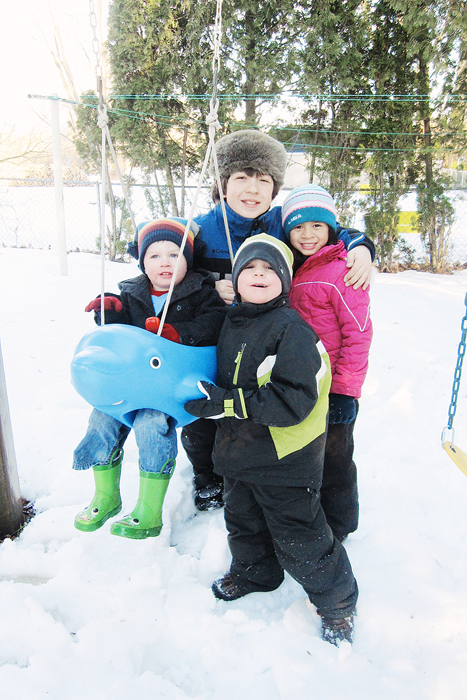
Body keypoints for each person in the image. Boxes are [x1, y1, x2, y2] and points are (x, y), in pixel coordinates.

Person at [184, 129, 376, 511]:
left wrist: (362, 246)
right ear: (223, 184)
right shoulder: (201, 230)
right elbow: (166, 262)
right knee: (203, 406)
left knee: (255, 405)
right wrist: (208, 284)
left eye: (263, 180)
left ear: (274, 189)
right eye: (241, 177)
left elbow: (327, 231)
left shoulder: (279, 223)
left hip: (263, 338)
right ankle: (207, 475)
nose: (252, 189)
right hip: (214, 338)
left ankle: (260, 474)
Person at [185, 234, 358, 646]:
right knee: (242, 521)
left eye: (269, 268)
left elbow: (293, 400)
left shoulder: (291, 330)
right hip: (239, 452)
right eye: (249, 267)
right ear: (235, 279)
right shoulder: (231, 321)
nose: (259, 274)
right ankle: (255, 573)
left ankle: (337, 602)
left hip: (285, 457)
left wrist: (228, 404)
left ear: (285, 279)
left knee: (299, 534)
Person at [73, 217, 226, 539]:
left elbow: (214, 322)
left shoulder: (201, 292)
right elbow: (119, 335)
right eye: (155, 256)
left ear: (188, 261)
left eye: (174, 255)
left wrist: (179, 333)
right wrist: (110, 311)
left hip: (169, 388)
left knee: (150, 425)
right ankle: (106, 496)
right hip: (133, 384)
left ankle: (148, 509)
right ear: (143, 263)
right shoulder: (131, 293)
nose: (164, 263)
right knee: (101, 419)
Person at [283, 184, 373, 542]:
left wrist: (345, 391)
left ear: (331, 228)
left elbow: (358, 333)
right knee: (305, 454)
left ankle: (339, 524)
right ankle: (308, 515)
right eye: (298, 227)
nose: (307, 234)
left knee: (335, 457)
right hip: (301, 384)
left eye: (317, 226)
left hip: (334, 388)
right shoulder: (289, 267)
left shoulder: (343, 271)